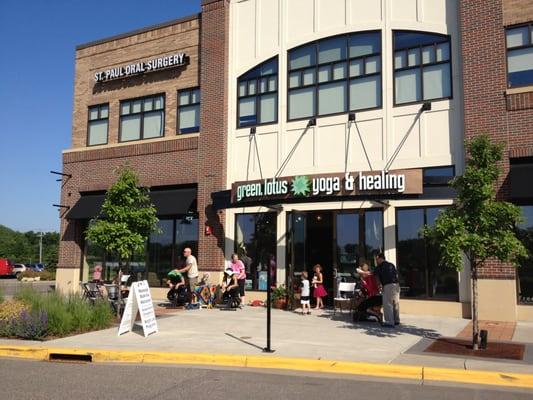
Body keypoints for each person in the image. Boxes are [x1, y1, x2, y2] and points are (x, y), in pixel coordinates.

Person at [373, 253, 400, 327]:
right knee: (395, 303)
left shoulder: (379, 267)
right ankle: (396, 320)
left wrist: (379, 287)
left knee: (388, 303)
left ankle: (389, 322)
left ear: (380, 258)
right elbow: (396, 275)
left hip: (388, 285)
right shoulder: (391, 265)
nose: (376, 260)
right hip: (396, 285)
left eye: (377, 259)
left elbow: (376, 278)